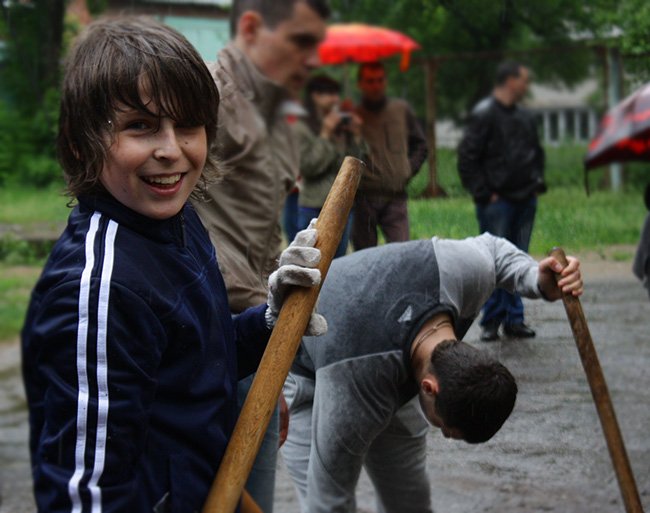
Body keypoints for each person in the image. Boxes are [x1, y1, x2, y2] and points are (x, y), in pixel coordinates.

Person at [20, 18, 324, 513]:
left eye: (188, 126)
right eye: (140, 126)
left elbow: (194, 355)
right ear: (81, 143)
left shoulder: (179, 223)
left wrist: (269, 320)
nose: (171, 150)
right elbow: (86, 497)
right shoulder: (101, 290)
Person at [281, 232, 583, 513]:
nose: (444, 434)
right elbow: (329, 499)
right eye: (447, 429)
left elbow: (495, 251)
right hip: (310, 369)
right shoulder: (351, 390)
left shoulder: (460, 273)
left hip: (384, 357)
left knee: (409, 501)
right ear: (429, 387)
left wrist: (537, 279)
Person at [189, 1, 329, 510]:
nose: (313, 58)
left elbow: (267, 240)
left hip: (253, 333)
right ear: (250, 27)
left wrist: (277, 369)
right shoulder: (205, 96)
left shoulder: (276, 113)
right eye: (301, 41)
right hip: (205, 338)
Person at [457, 61, 547, 342]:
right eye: (523, 80)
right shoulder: (484, 115)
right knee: (495, 263)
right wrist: (485, 193)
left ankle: (514, 320)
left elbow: (536, 152)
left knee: (520, 258)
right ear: (509, 81)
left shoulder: (524, 116)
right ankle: (491, 320)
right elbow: (467, 157)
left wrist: (536, 184)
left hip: (524, 199)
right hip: (498, 204)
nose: (526, 86)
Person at [352, 61, 428, 250]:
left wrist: (406, 171)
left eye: (379, 80)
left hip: (395, 196)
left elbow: (421, 144)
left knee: (402, 253)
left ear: (385, 82)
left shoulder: (401, 110)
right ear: (360, 84)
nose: (375, 86)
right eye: (370, 81)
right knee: (365, 257)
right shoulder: (353, 115)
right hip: (363, 198)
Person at [293, 74, 367, 257]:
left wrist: (356, 135)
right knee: (309, 259)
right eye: (329, 93)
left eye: (336, 93)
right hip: (313, 205)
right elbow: (309, 167)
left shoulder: (341, 125)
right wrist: (325, 134)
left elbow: (357, 164)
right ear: (314, 96)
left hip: (342, 205)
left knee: (337, 261)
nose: (335, 98)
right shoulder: (302, 128)